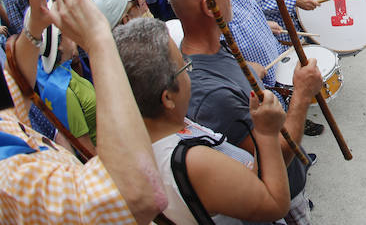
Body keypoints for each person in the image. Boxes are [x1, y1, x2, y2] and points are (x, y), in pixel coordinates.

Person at [1, 0, 164, 224]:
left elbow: (14, 86)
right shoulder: (11, 179)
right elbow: (138, 197)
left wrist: (35, 22)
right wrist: (98, 39)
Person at [168, 0, 322, 223]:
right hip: (284, 194)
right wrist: (302, 94)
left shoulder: (201, 44)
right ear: (209, 7)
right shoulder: (212, 97)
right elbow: (277, 156)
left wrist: (247, 70)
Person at [115, 18, 293, 224]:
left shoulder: (141, 141)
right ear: (168, 98)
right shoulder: (193, 162)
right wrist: (266, 133)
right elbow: (274, 204)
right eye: (185, 67)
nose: (190, 75)